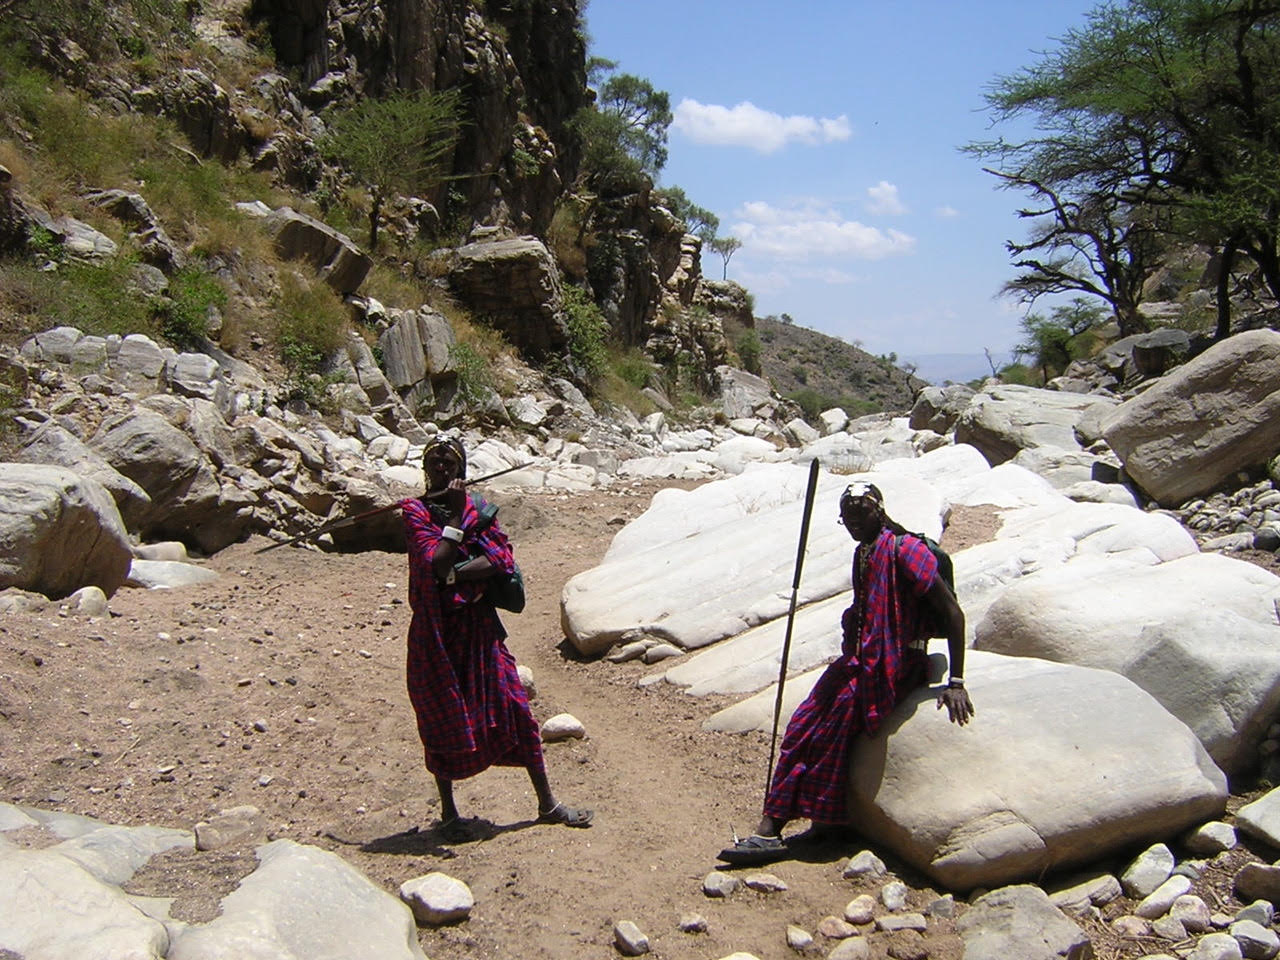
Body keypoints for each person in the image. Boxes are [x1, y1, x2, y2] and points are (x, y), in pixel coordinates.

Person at [718, 480, 973, 865]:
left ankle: (774, 830)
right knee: (805, 721)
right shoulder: (864, 552)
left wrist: (956, 681)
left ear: (878, 510)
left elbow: (952, 612)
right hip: (864, 659)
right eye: (847, 520)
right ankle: (815, 823)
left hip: (899, 664)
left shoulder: (906, 550)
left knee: (832, 724)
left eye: (860, 516)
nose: (854, 525)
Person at [401, 435, 592, 840]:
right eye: (434, 460)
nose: (441, 467)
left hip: (480, 632)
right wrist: (454, 532)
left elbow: (500, 558)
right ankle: (450, 814)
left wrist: (454, 568)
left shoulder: (479, 510)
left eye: (448, 461)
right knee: (442, 718)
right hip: (437, 635)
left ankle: (547, 804)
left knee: (517, 710)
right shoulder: (415, 512)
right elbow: (433, 564)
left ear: (461, 469)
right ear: (424, 466)